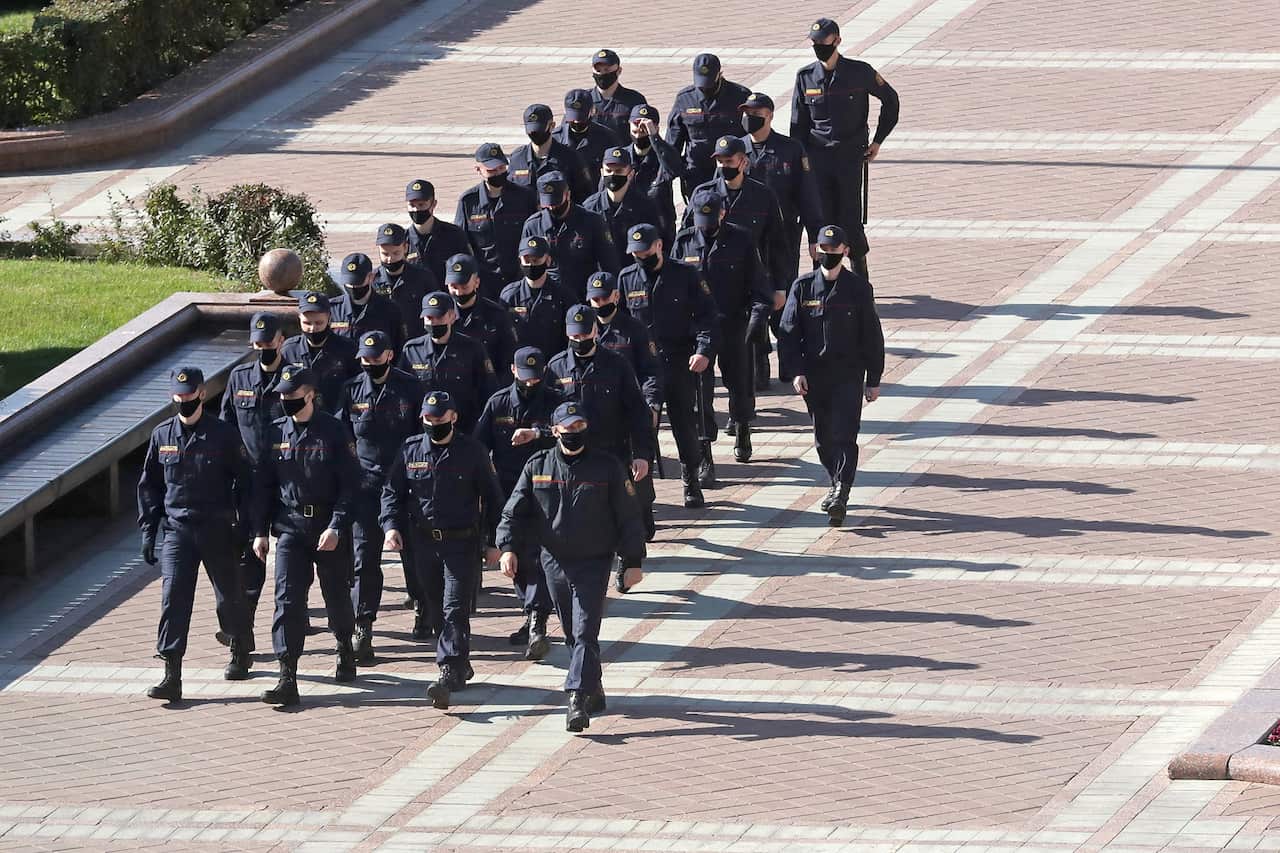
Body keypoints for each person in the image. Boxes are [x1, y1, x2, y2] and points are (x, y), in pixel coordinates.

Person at [497, 401, 647, 732]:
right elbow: (513, 511)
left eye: (580, 428)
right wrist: (507, 548)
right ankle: (593, 684)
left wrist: (632, 561)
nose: (575, 434)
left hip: (594, 561)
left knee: (585, 630)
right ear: (555, 431)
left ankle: (576, 697)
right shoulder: (537, 466)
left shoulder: (606, 467)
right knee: (571, 632)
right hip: (554, 562)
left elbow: (629, 516)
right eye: (568, 429)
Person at [381, 390, 504, 709]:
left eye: (439, 418)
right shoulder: (410, 450)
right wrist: (391, 527)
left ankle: (448, 669)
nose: (433, 423)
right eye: (428, 418)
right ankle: (459, 662)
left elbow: (493, 499)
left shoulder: (472, 452)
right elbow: (392, 493)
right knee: (434, 606)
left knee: (455, 607)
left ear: (453, 417)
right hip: (422, 542)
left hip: (461, 542)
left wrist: (494, 543)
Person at [138, 367, 254, 702]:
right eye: (179, 396)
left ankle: (240, 646)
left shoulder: (224, 435)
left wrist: (245, 528)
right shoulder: (162, 436)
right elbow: (150, 486)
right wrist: (149, 531)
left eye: (190, 395)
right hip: (178, 531)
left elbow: (246, 482)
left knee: (229, 597)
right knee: (173, 598)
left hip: (217, 528)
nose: (184, 401)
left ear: (202, 394)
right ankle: (171, 672)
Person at [251, 365, 362, 706]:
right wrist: (259, 531)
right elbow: (264, 486)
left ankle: (344, 644)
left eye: (294, 396)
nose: (287, 401)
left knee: (335, 595)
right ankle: (288, 676)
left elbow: (351, 485)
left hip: (326, 527)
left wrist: (337, 525)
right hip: (290, 529)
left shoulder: (334, 431)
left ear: (311, 394)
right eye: (283, 396)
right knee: (286, 600)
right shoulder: (274, 432)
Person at [778, 226, 885, 526]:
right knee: (823, 438)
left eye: (833, 251)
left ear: (845, 252)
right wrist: (795, 371)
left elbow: (872, 337)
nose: (827, 255)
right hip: (815, 375)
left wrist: (873, 379)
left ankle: (842, 492)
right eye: (823, 250)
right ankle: (835, 481)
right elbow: (788, 333)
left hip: (849, 374)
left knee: (845, 435)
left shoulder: (858, 289)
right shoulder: (802, 287)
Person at [672, 191, 773, 476]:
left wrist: (756, 321)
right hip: (696, 332)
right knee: (699, 396)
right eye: (699, 219)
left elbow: (760, 289)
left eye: (710, 218)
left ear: (722, 214)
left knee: (739, 384)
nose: (704, 225)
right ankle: (705, 452)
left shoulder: (742, 240)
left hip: (732, 325)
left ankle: (742, 425)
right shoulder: (683, 242)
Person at [617, 224, 717, 508]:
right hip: (642, 367)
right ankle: (642, 491)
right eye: (635, 253)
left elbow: (708, 316)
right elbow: (620, 324)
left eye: (645, 251)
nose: (640, 257)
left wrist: (703, 351)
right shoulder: (627, 278)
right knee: (641, 426)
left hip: (678, 360)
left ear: (659, 246)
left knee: (684, 423)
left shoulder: (685, 275)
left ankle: (691, 480)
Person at [791, 17, 900, 278]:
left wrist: (877, 141)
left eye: (824, 41)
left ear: (837, 41)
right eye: (815, 42)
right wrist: (799, 165)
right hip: (818, 160)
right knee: (820, 219)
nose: (819, 46)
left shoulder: (859, 72)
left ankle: (860, 275)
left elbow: (891, 101)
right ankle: (821, 277)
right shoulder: (806, 77)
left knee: (849, 218)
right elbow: (798, 126)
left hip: (849, 158)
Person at [338, 331, 423, 664]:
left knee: (413, 555)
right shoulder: (350, 390)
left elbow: (421, 436)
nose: (369, 364)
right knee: (364, 558)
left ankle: (422, 607)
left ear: (389, 355)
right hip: (366, 487)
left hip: (405, 485)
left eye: (375, 358)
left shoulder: (411, 388)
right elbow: (343, 435)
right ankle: (364, 625)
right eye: (365, 359)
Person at [474, 347, 558, 660]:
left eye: (535, 379)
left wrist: (537, 433)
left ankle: (537, 618)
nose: (530, 384)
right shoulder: (498, 403)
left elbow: (571, 431)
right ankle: (531, 614)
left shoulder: (555, 401)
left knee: (537, 555)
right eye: (524, 378)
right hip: (508, 490)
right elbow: (479, 444)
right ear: (512, 370)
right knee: (515, 555)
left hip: (546, 488)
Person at [740, 91, 824, 387]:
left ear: (770, 115)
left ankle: (790, 362)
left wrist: (816, 235)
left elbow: (808, 196)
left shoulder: (789, 149)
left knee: (783, 300)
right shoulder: (737, 150)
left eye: (756, 112)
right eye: (747, 112)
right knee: (752, 302)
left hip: (782, 238)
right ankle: (758, 365)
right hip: (746, 240)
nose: (750, 117)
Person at [547, 304, 654, 532]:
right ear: (567, 332)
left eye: (585, 333)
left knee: (624, 512)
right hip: (574, 455)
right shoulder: (555, 368)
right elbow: (549, 415)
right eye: (575, 334)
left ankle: (628, 557)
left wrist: (643, 455)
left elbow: (637, 412)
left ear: (595, 330)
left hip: (613, 451)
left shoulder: (617, 364)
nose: (580, 338)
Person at [218, 312, 286, 651]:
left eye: (268, 341)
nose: (263, 347)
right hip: (249, 484)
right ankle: (240, 640)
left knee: (294, 562)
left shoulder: (297, 378)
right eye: (257, 343)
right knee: (247, 561)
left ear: (281, 340)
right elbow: (226, 426)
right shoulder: (239, 377)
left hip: (288, 484)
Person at [397, 291, 497, 434]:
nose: (433, 322)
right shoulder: (412, 351)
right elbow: (402, 393)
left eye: (439, 317)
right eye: (429, 317)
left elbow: (488, 391)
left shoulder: (472, 349)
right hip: (424, 431)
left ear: (452, 316)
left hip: (464, 431)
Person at [454, 143, 538, 300]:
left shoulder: (524, 197)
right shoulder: (468, 202)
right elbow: (461, 243)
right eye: (492, 170)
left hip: (519, 278)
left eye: (501, 168)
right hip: (485, 283)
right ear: (478, 170)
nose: (498, 173)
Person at [521, 171, 618, 301]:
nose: (552, 207)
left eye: (556, 202)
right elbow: (524, 266)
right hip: (549, 302)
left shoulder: (592, 221)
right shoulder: (533, 226)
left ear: (568, 195)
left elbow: (609, 264)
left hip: (583, 296)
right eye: (548, 204)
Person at [665, 53, 751, 198]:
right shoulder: (685, 99)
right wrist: (677, 171)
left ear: (720, 74)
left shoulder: (740, 96)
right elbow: (673, 143)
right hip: (696, 174)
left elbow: (751, 135)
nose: (705, 88)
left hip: (731, 170)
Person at [280, 292, 359, 416]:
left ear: (329, 318)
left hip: (336, 420)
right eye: (307, 323)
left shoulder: (347, 349)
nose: (312, 329)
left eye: (318, 323)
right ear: (299, 318)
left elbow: (358, 388)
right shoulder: (288, 350)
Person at [582, 146, 661, 269]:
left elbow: (656, 245)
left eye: (619, 171)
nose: (613, 175)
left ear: (630, 174)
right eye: (609, 171)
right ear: (602, 172)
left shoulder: (645, 206)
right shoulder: (590, 207)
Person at [446, 253, 518, 383]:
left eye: (464, 286)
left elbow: (508, 360)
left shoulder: (496, 315)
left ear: (476, 283)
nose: (459, 292)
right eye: (454, 287)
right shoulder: (441, 314)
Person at [500, 235, 570, 359]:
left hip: (551, 366)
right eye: (527, 260)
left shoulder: (563, 295)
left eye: (536, 260)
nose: (531, 265)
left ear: (548, 260)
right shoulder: (509, 296)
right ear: (520, 260)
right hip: (521, 368)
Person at [508, 104, 594, 203]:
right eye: (531, 130)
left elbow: (584, 195)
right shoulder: (517, 158)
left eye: (539, 129)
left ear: (552, 126)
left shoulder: (570, 158)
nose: (534, 133)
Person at [627, 104, 684, 247]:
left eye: (645, 125)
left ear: (657, 127)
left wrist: (654, 136)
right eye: (635, 124)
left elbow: (675, 169)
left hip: (661, 233)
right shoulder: (622, 158)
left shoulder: (663, 157)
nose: (640, 129)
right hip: (630, 232)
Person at [329, 252, 408, 354]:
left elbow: (399, 350)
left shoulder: (390, 310)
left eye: (358, 283)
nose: (353, 287)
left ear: (371, 277)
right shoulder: (331, 309)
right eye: (349, 283)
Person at [373, 223, 441, 341]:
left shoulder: (423, 277)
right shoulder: (372, 280)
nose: (390, 259)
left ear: (405, 248)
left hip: (416, 343)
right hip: (384, 347)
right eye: (385, 254)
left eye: (396, 253)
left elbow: (437, 310)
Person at [404, 178, 471, 285]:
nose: (416, 210)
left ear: (433, 204)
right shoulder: (402, 240)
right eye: (412, 205)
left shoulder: (454, 234)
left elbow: (469, 268)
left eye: (421, 205)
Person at [554, 89, 622, 189]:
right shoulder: (555, 138)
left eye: (581, 117)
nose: (576, 122)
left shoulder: (607, 138)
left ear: (592, 111)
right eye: (573, 117)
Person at [588, 48, 648, 139]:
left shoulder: (634, 100)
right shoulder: (584, 99)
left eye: (607, 70)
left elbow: (643, 134)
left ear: (619, 71)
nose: (602, 74)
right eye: (598, 71)